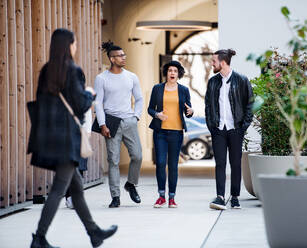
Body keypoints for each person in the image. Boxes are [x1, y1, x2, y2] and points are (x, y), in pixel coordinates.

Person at [28, 28, 117, 248]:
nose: (76, 47)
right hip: (67, 138)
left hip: (50, 136)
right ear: (68, 45)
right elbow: (81, 104)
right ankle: (39, 238)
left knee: (76, 188)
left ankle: (94, 233)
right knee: (59, 190)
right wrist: (89, 93)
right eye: (74, 43)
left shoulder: (47, 70)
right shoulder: (72, 70)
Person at [94, 41, 143, 208]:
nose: (124, 58)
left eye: (124, 55)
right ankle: (115, 196)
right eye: (120, 56)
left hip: (129, 121)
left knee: (137, 156)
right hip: (111, 122)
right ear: (112, 59)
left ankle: (131, 184)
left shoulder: (131, 77)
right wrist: (102, 124)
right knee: (113, 161)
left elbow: (139, 99)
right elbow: (98, 103)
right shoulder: (101, 79)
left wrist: (136, 116)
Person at [205, 49, 254, 210]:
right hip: (218, 129)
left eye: (214, 61)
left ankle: (234, 197)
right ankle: (220, 196)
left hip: (235, 129)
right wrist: (212, 126)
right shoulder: (213, 82)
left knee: (235, 164)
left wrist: (243, 126)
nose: (212, 63)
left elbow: (250, 104)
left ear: (223, 62)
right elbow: (208, 106)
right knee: (220, 163)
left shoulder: (241, 80)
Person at [148, 60, 194, 208]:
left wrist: (191, 112)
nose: (172, 73)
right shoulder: (157, 89)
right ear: (166, 73)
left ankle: (172, 198)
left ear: (178, 73)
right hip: (160, 132)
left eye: (175, 71)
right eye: (169, 71)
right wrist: (157, 114)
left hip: (176, 132)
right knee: (160, 163)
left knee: (173, 165)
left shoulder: (184, 90)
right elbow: (150, 109)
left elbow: (188, 111)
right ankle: (161, 196)